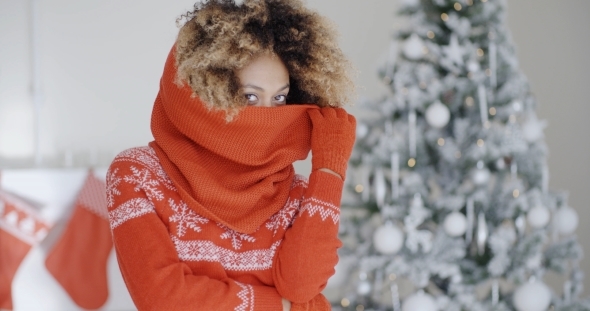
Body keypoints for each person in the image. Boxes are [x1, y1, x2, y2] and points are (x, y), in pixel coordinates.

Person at [106, 0, 356, 310]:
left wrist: (329, 170)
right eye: (250, 96)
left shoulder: (295, 193)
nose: (267, 116)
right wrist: (281, 305)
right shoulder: (138, 175)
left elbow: (301, 286)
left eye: (279, 98)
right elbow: (163, 299)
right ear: (204, 93)